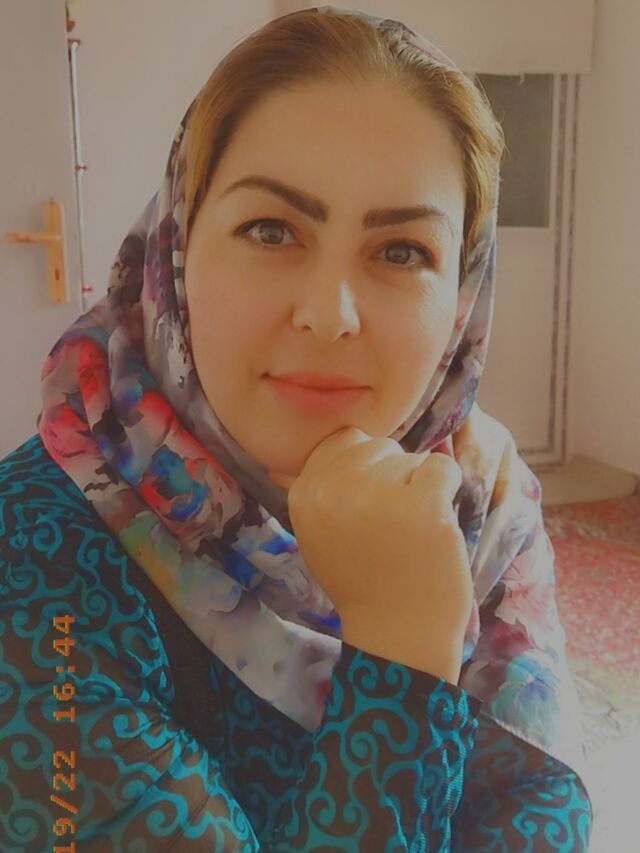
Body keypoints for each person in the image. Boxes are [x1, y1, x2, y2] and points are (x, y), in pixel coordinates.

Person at [0, 5, 593, 851]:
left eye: (401, 251)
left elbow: (540, 808)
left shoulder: (482, 502)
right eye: (270, 230)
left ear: (462, 297)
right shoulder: (31, 548)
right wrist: (401, 641)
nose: (329, 313)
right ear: (179, 251)